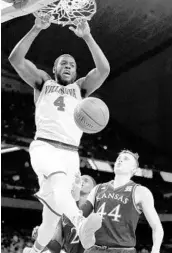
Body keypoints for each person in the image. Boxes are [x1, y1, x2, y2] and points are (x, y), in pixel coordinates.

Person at [9, 15, 110, 252]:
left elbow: (104, 69)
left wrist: (87, 36)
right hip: (45, 146)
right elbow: (15, 59)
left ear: (76, 72)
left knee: (51, 216)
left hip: (71, 154)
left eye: (72, 64)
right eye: (63, 63)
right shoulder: (42, 82)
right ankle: (81, 223)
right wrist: (36, 28)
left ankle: (34, 251)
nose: (67, 66)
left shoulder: (81, 88)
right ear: (54, 69)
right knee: (60, 187)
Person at [80, 150, 164, 253]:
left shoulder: (140, 192)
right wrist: (73, 196)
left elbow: (157, 227)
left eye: (126, 159)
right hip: (94, 249)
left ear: (134, 169)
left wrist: (155, 250)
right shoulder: (98, 188)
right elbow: (80, 214)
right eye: (118, 159)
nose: (120, 160)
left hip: (123, 250)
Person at [32, 175, 97, 253]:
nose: (81, 181)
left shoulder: (98, 211)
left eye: (86, 180)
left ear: (94, 189)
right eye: (80, 179)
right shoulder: (63, 213)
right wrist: (42, 237)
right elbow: (56, 248)